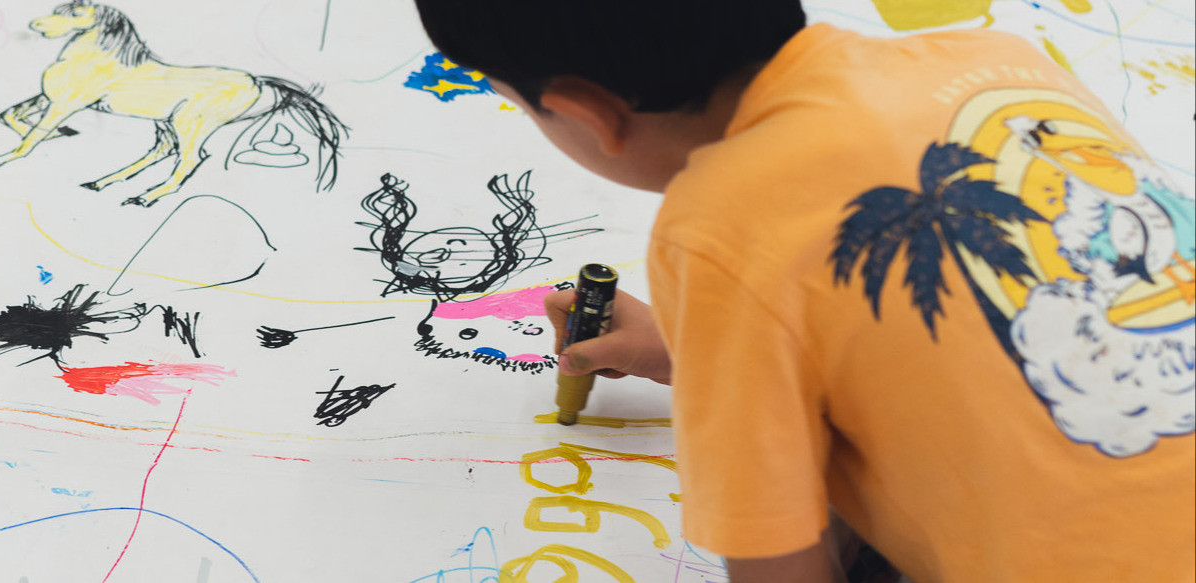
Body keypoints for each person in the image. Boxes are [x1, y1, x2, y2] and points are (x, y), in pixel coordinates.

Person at [412, 1, 1196, 582]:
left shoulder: (714, 226)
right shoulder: (999, 60)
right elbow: (963, 343)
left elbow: (778, 560)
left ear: (587, 115)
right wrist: (696, 352)